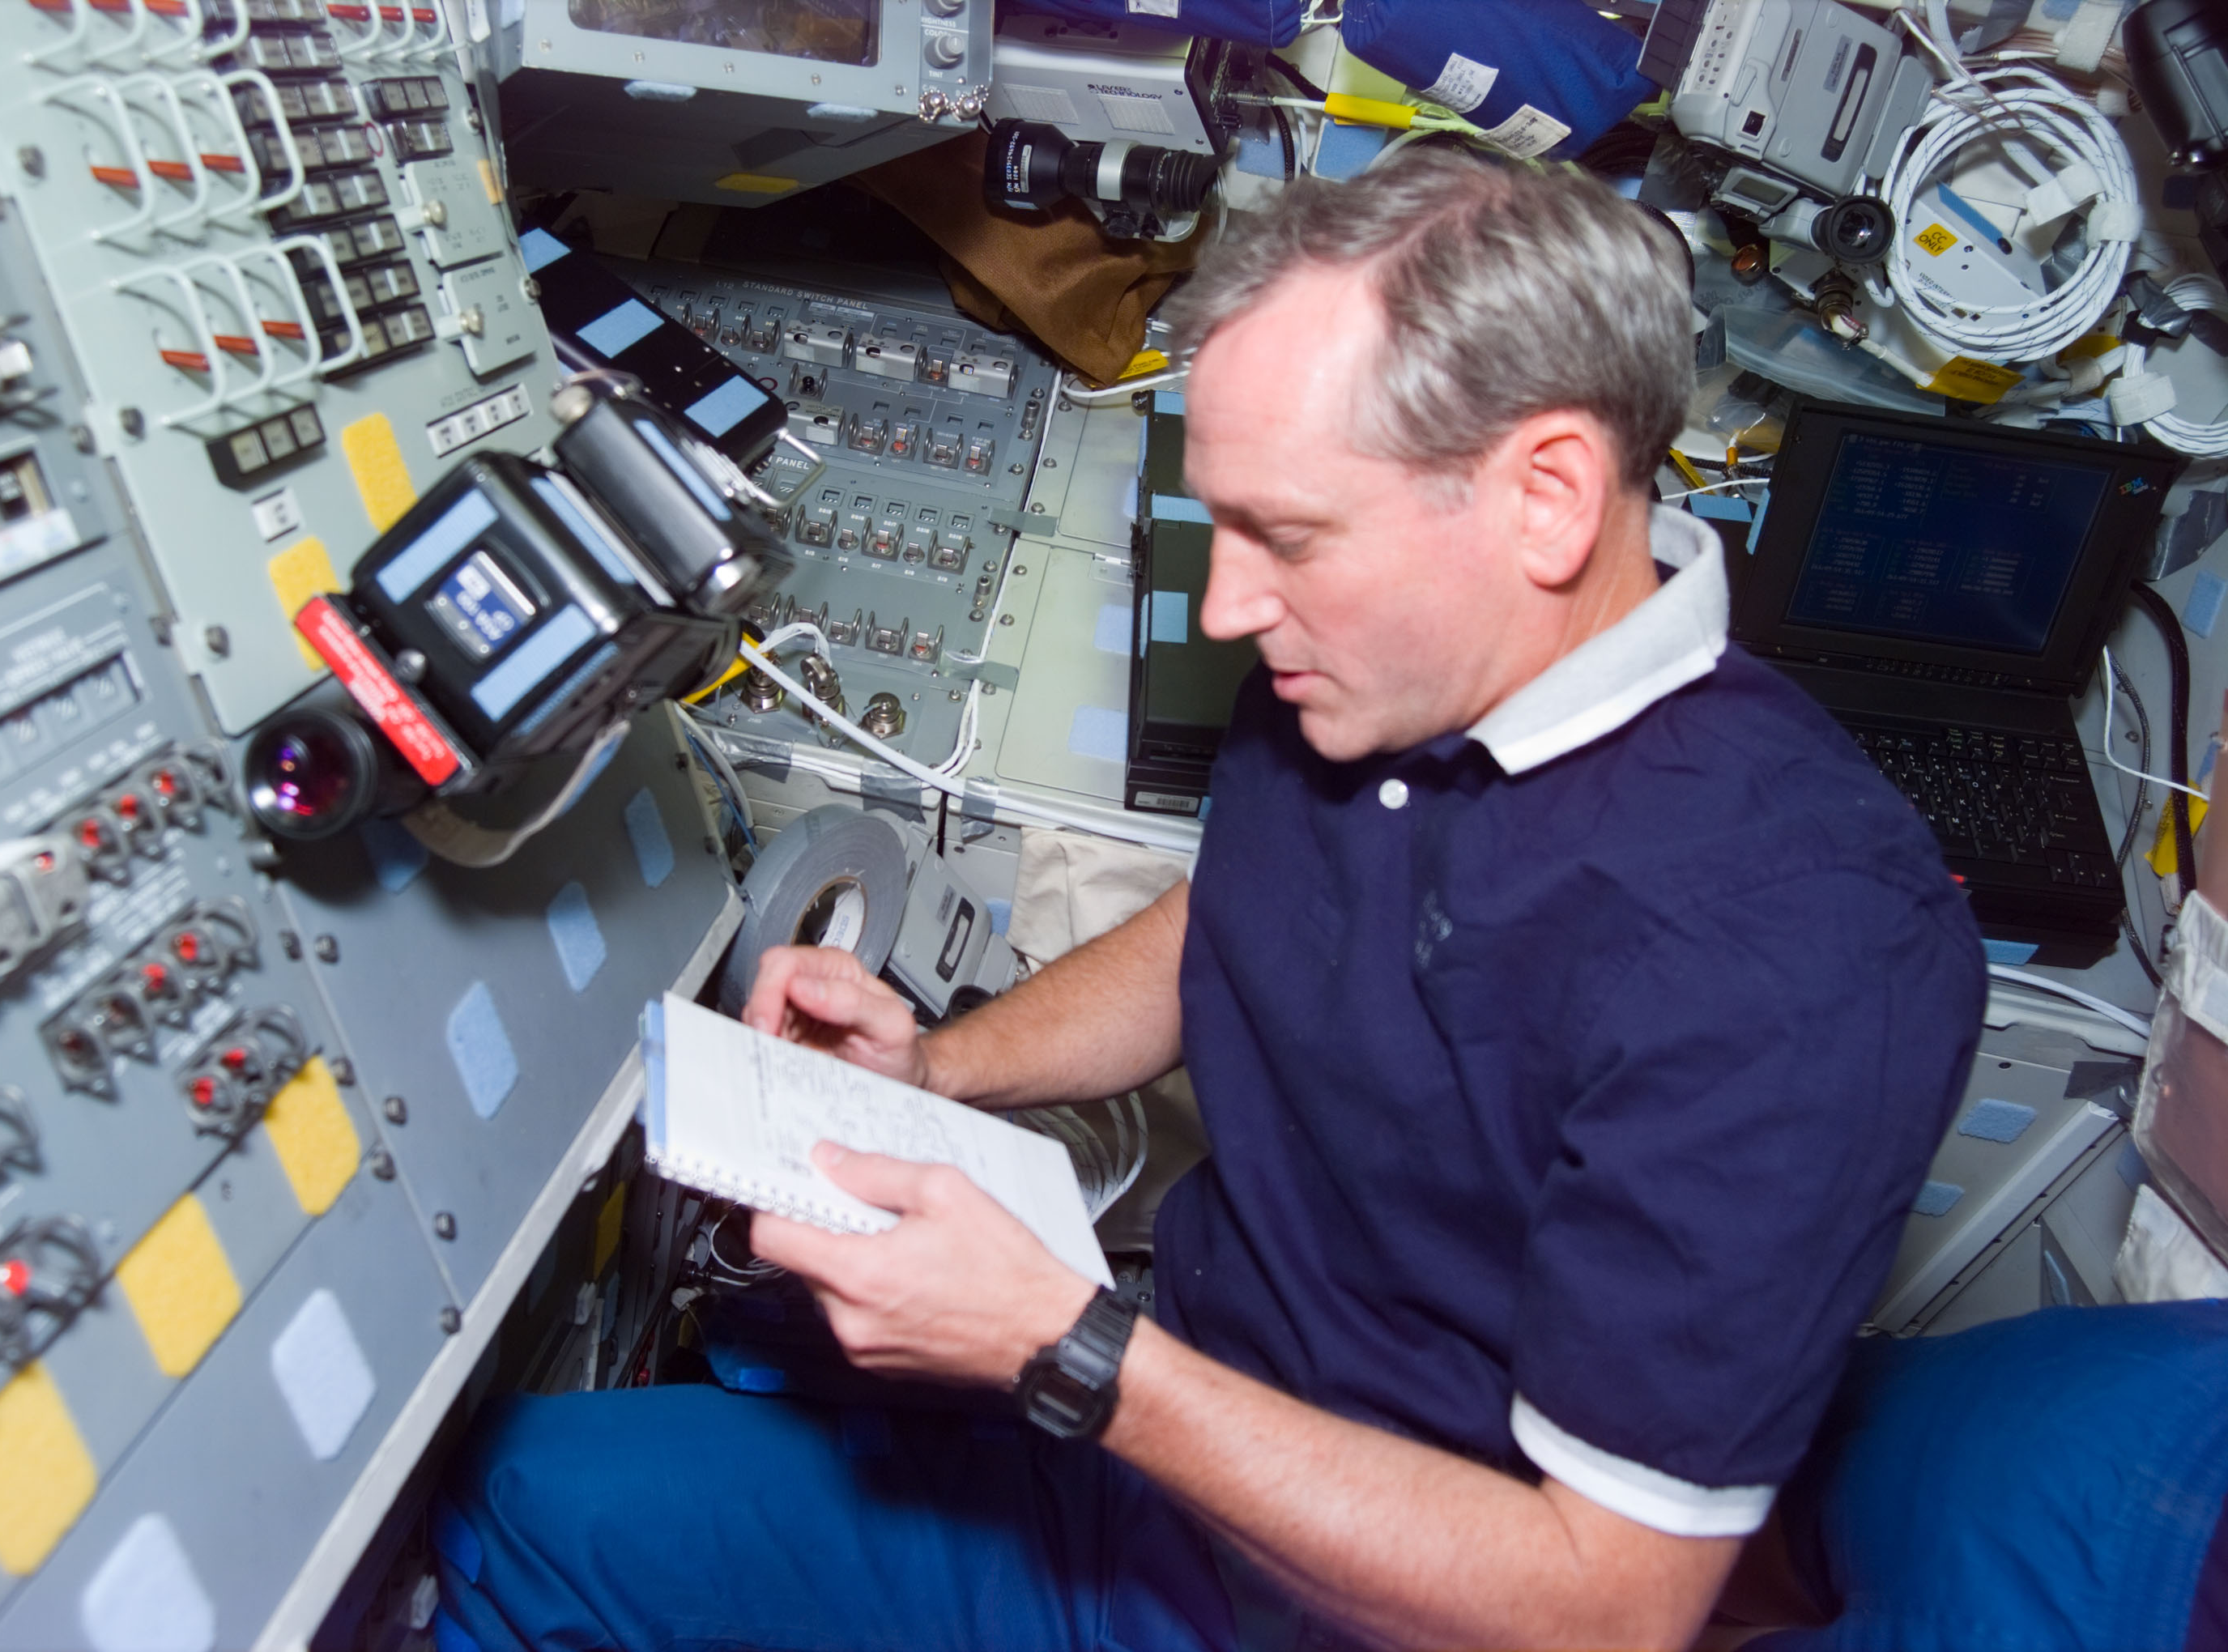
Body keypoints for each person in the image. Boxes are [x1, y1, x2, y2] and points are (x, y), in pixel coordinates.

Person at [432, 148, 1987, 1652]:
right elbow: (1235, 925)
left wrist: (1072, 1349)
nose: (1231, 607)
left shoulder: (1797, 952)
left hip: (1322, 1579)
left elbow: (1600, 1611)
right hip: (1147, 1415)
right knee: (519, 1503)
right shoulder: (1375, 670)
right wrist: (938, 1068)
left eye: (1285, 536)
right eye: (1222, 520)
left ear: (1548, 497)